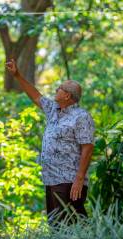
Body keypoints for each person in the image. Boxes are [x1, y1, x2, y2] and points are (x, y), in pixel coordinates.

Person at [6, 59, 95, 225]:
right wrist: (17, 75)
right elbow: (36, 96)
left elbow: (88, 148)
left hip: (69, 180)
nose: (56, 89)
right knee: (56, 226)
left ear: (67, 95)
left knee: (72, 225)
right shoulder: (53, 109)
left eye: (60, 88)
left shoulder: (81, 116)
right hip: (51, 178)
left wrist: (79, 179)